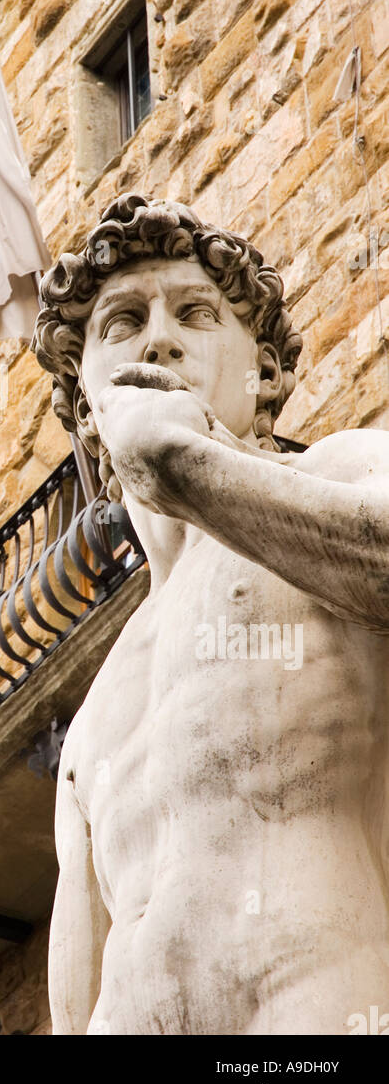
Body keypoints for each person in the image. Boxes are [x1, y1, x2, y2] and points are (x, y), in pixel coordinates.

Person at [32, 193, 389, 1035]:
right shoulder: (89, 726)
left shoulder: (338, 474)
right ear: (88, 409)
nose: (158, 337)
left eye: (195, 313)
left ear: (264, 372)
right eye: (121, 323)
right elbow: (73, 1006)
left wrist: (187, 465)